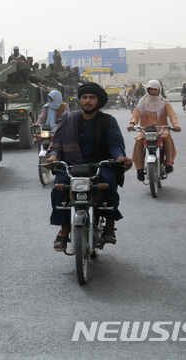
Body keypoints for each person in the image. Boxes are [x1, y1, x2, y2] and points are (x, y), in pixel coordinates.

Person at [44, 82, 132, 250]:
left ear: (98, 101)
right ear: (80, 100)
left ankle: (109, 225)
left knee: (109, 185)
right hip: (71, 166)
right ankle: (64, 229)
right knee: (59, 188)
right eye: (84, 97)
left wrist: (120, 158)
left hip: (100, 165)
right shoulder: (68, 119)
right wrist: (53, 156)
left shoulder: (108, 121)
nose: (88, 101)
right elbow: (57, 144)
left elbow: (115, 144)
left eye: (92, 97)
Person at [127, 80, 181, 180]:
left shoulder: (164, 103)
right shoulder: (142, 102)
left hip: (161, 129)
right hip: (144, 130)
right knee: (139, 142)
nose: (153, 92)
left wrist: (176, 125)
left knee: (167, 138)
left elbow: (172, 115)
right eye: (150, 89)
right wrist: (132, 124)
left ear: (159, 90)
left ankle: (169, 163)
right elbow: (135, 115)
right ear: (147, 90)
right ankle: (139, 169)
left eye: (155, 89)